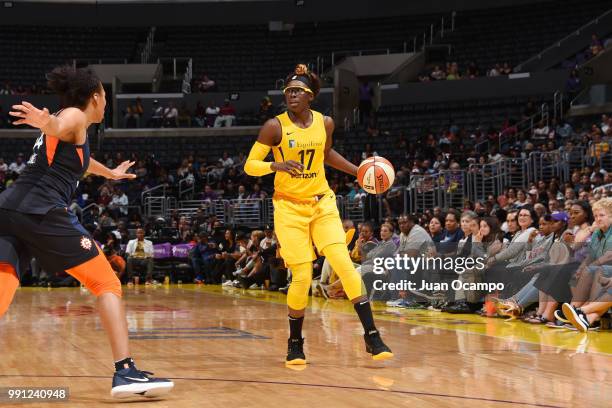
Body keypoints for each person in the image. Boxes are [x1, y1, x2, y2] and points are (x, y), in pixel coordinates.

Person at [2, 66, 173, 398]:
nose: (106, 102)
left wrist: (110, 173)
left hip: (8, 210)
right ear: (95, 96)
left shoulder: (78, 136)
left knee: (2, 289)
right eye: (105, 96)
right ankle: (126, 372)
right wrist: (45, 121)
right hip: (40, 210)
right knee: (106, 282)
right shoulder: (74, 117)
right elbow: (59, 123)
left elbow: (83, 160)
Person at [244, 64, 393, 365]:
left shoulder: (325, 123)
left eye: (297, 91)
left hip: (321, 202)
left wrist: (360, 172)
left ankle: (372, 336)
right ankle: (295, 342)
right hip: (288, 207)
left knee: (343, 263)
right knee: (300, 276)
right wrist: (276, 166)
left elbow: (326, 155)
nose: (292, 96)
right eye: (288, 92)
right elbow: (250, 165)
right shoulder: (274, 126)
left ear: (310, 95)